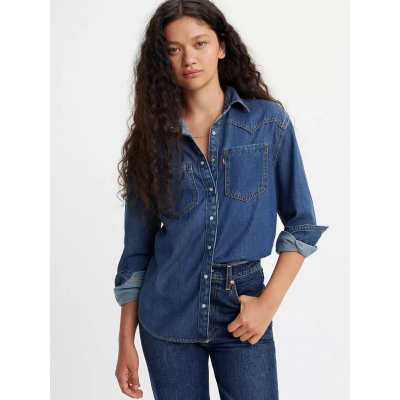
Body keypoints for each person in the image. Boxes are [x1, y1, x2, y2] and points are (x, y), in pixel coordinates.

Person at [114, 1, 329, 399]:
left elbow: (301, 224)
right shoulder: (152, 141)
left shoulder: (267, 123)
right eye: (173, 49)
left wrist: (267, 305)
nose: (188, 58)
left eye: (200, 43)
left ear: (222, 46)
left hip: (243, 308)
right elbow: (137, 251)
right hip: (167, 315)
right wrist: (126, 340)